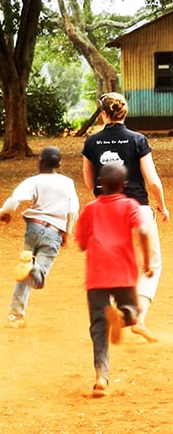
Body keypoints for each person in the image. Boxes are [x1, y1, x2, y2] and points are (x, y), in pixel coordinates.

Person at [82, 92, 169, 342]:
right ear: (124, 112)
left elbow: (90, 183)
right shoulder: (138, 139)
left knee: (114, 263)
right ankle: (137, 317)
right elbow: (152, 181)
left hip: (105, 211)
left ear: (103, 114)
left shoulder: (91, 142)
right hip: (137, 209)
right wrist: (162, 207)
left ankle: (115, 309)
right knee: (151, 265)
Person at [75, 162, 153, 397]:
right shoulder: (131, 205)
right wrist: (147, 261)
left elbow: (81, 243)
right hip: (123, 270)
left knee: (99, 328)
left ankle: (101, 376)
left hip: (97, 274)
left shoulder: (90, 209)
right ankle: (124, 315)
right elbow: (143, 231)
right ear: (124, 186)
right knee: (133, 309)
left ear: (100, 184)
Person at [0, 146, 80, 328]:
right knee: (37, 274)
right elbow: (73, 210)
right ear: (59, 164)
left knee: (23, 275)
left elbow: (15, 199)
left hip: (33, 228)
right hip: (54, 233)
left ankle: (15, 316)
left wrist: (5, 212)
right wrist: (67, 231)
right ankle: (35, 269)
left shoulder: (33, 181)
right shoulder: (67, 182)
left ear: (40, 161)